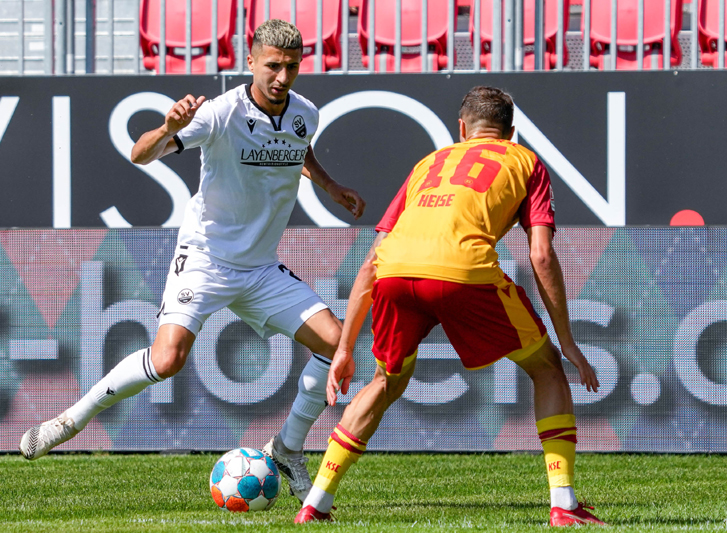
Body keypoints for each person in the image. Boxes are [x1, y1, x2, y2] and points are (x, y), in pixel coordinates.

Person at [19, 19, 365, 504]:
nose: (281, 77)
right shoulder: (219, 114)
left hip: (261, 268)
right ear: (250, 61)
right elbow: (141, 155)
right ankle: (68, 422)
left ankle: (287, 447)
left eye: (290, 66)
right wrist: (168, 128)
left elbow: (295, 147)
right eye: (272, 66)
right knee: (167, 359)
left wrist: (328, 184)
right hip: (205, 259)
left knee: (338, 344)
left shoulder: (306, 112)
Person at [294, 86, 605, 526]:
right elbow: (540, 255)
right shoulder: (527, 162)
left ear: (461, 129)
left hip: (395, 274)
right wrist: (567, 340)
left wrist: (345, 348)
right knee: (547, 367)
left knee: (385, 380)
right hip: (464, 274)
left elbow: (372, 260)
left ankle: (316, 503)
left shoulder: (428, 163)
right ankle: (564, 503)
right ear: (511, 133)